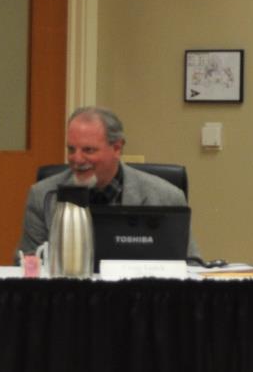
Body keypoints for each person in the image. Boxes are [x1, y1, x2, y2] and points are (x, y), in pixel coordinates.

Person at [17, 106, 186, 258]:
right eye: (71, 149)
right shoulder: (42, 195)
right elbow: (27, 264)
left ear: (117, 148)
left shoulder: (166, 196)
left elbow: (191, 264)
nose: (77, 159)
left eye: (88, 150)